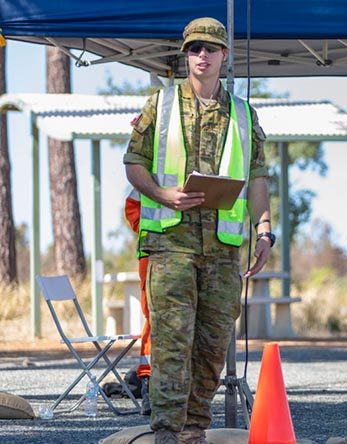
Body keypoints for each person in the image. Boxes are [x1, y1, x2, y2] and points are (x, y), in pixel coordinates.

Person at [124, 17, 274, 444]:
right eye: (194, 49)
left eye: (210, 48)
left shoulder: (244, 113)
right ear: (185, 54)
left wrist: (264, 230)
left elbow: (258, 177)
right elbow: (133, 162)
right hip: (171, 242)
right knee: (173, 342)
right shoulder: (162, 102)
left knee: (211, 349)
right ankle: (168, 434)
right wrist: (161, 193)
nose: (202, 55)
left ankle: (194, 431)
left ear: (225, 55)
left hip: (224, 250)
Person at [123, 189, 152, 416]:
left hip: (191, 256)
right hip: (154, 256)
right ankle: (149, 384)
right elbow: (132, 209)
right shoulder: (151, 168)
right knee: (156, 320)